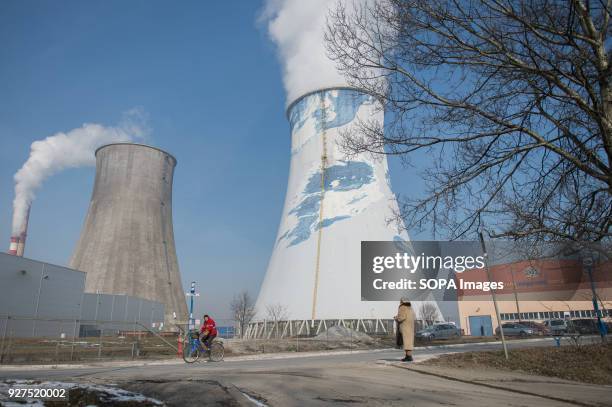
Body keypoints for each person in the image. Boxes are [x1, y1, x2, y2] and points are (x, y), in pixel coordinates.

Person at [394, 297, 415, 362]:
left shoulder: (402, 307)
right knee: (409, 342)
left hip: (404, 327)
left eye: (400, 301)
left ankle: (408, 357)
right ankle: (409, 356)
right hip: (410, 327)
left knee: (406, 342)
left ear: (402, 301)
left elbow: (401, 317)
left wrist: (396, 318)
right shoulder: (410, 308)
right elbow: (414, 316)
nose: (400, 302)